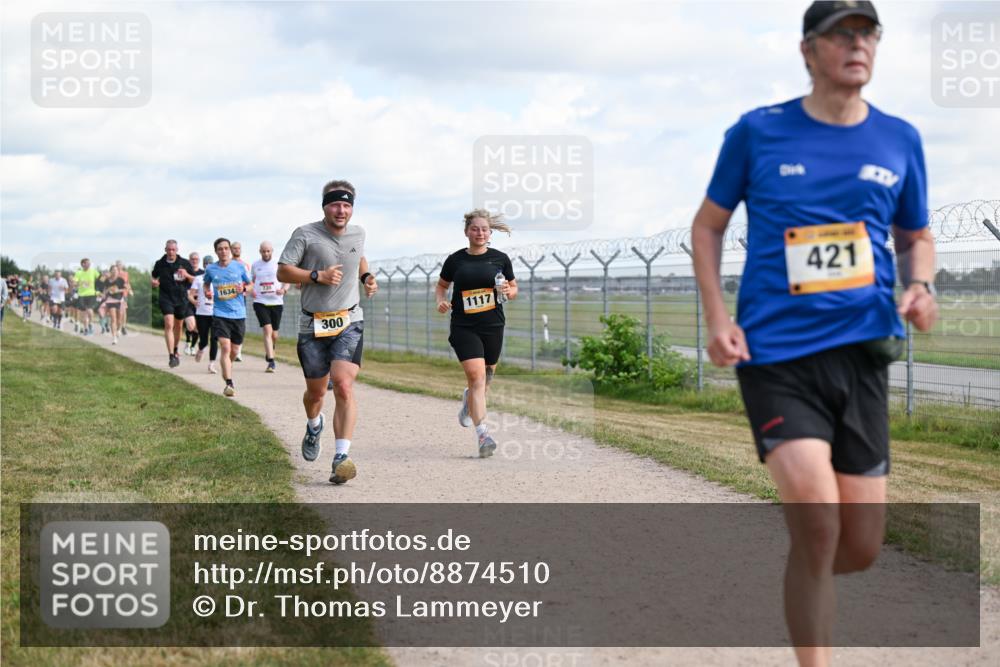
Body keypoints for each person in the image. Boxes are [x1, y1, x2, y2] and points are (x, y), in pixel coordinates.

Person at [690, 3, 937, 665]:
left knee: (857, 543)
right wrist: (719, 316)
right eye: (842, 34)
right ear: (809, 50)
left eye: (869, 33)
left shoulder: (900, 138)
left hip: (861, 358)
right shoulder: (758, 132)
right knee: (821, 522)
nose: (858, 45)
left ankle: (808, 567)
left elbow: (917, 234)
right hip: (776, 355)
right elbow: (707, 225)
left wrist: (922, 284)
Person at [276, 179, 378, 485]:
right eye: (336, 204)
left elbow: (357, 255)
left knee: (344, 386)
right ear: (325, 206)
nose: (341, 210)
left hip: (349, 321)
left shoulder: (358, 233)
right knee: (316, 393)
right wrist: (315, 275)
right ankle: (313, 423)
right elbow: (283, 270)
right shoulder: (305, 234)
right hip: (313, 324)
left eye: (347, 205)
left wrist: (367, 276)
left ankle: (341, 457)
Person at [435, 209, 517, 458]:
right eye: (475, 228)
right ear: (466, 232)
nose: (479, 233)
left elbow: (513, 289)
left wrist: (508, 290)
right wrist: (441, 301)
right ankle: (483, 435)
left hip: (493, 325)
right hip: (464, 326)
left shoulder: (500, 258)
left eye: (484, 229)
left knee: (486, 379)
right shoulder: (456, 260)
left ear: (490, 233)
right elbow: (441, 286)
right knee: (477, 376)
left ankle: (469, 402)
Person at [203, 238, 251, 396]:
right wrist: (207, 292)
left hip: (239, 313)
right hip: (220, 313)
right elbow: (206, 285)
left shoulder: (239, 267)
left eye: (225, 248)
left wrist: (243, 288)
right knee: (225, 347)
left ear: (229, 250)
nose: (223, 251)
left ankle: (227, 368)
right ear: (216, 251)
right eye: (220, 249)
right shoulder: (211, 269)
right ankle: (229, 383)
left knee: (235, 351)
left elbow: (250, 285)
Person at [151, 240, 196, 368]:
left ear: (177, 250)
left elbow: (195, 280)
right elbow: (154, 277)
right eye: (169, 249)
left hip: (181, 298)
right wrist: (154, 282)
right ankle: (171, 356)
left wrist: (186, 274)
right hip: (166, 297)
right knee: (169, 323)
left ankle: (175, 348)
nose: (171, 252)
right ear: (165, 250)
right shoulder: (160, 264)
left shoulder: (184, 263)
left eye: (173, 250)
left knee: (178, 326)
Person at [251, 241, 288, 373]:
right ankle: (271, 362)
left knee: (274, 334)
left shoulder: (279, 264)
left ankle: (270, 350)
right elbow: (252, 281)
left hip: (276, 302)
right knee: (267, 330)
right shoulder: (255, 265)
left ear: (272, 251)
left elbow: (287, 280)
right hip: (260, 301)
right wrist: (252, 290)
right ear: (260, 251)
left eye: (268, 251)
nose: (266, 253)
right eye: (263, 251)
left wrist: (284, 290)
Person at [189, 255, 220, 374]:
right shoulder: (198, 279)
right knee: (204, 339)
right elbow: (190, 295)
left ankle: (212, 364)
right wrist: (194, 301)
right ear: (204, 265)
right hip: (202, 313)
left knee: (214, 338)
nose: (209, 266)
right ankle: (201, 348)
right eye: (207, 264)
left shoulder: (218, 278)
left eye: (211, 264)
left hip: (215, 312)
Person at [230, 241, 252, 362]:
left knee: (240, 324)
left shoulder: (245, 265)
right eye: (234, 248)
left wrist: (245, 290)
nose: (237, 250)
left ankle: (238, 351)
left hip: (240, 297)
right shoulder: (227, 263)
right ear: (231, 250)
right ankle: (230, 348)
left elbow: (249, 282)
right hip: (227, 297)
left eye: (239, 248)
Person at [72, 258, 100, 335]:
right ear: (83, 264)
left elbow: (101, 279)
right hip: (82, 295)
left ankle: (90, 323)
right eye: (87, 263)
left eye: (89, 263)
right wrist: (79, 283)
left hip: (91, 294)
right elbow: (74, 283)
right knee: (84, 313)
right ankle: (86, 328)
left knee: (90, 311)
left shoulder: (93, 271)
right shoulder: (78, 273)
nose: (89, 264)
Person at [184, 252, 205, 355]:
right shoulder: (184, 272)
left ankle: (192, 347)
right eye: (192, 259)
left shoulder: (203, 273)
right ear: (189, 260)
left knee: (197, 327)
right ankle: (187, 341)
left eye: (196, 259)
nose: (194, 261)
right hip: (188, 302)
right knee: (191, 325)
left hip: (199, 303)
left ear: (199, 260)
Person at [103, 265, 127, 344]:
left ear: (118, 271)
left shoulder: (121, 280)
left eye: (116, 270)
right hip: (110, 300)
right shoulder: (107, 280)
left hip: (119, 300)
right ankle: (114, 337)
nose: (114, 271)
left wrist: (117, 290)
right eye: (113, 270)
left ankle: (119, 329)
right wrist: (105, 293)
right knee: (113, 319)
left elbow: (126, 288)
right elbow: (105, 290)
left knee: (119, 320)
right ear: (111, 271)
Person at [115, 260, 133, 335]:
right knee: (117, 312)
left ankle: (123, 327)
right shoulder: (114, 273)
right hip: (115, 295)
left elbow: (127, 283)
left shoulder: (125, 274)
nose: (119, 266)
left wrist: (130, 290)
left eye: (120, 265)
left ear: (122, 266)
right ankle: (117, 325)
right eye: (117, 265)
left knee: (124, 311)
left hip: (124, 294)